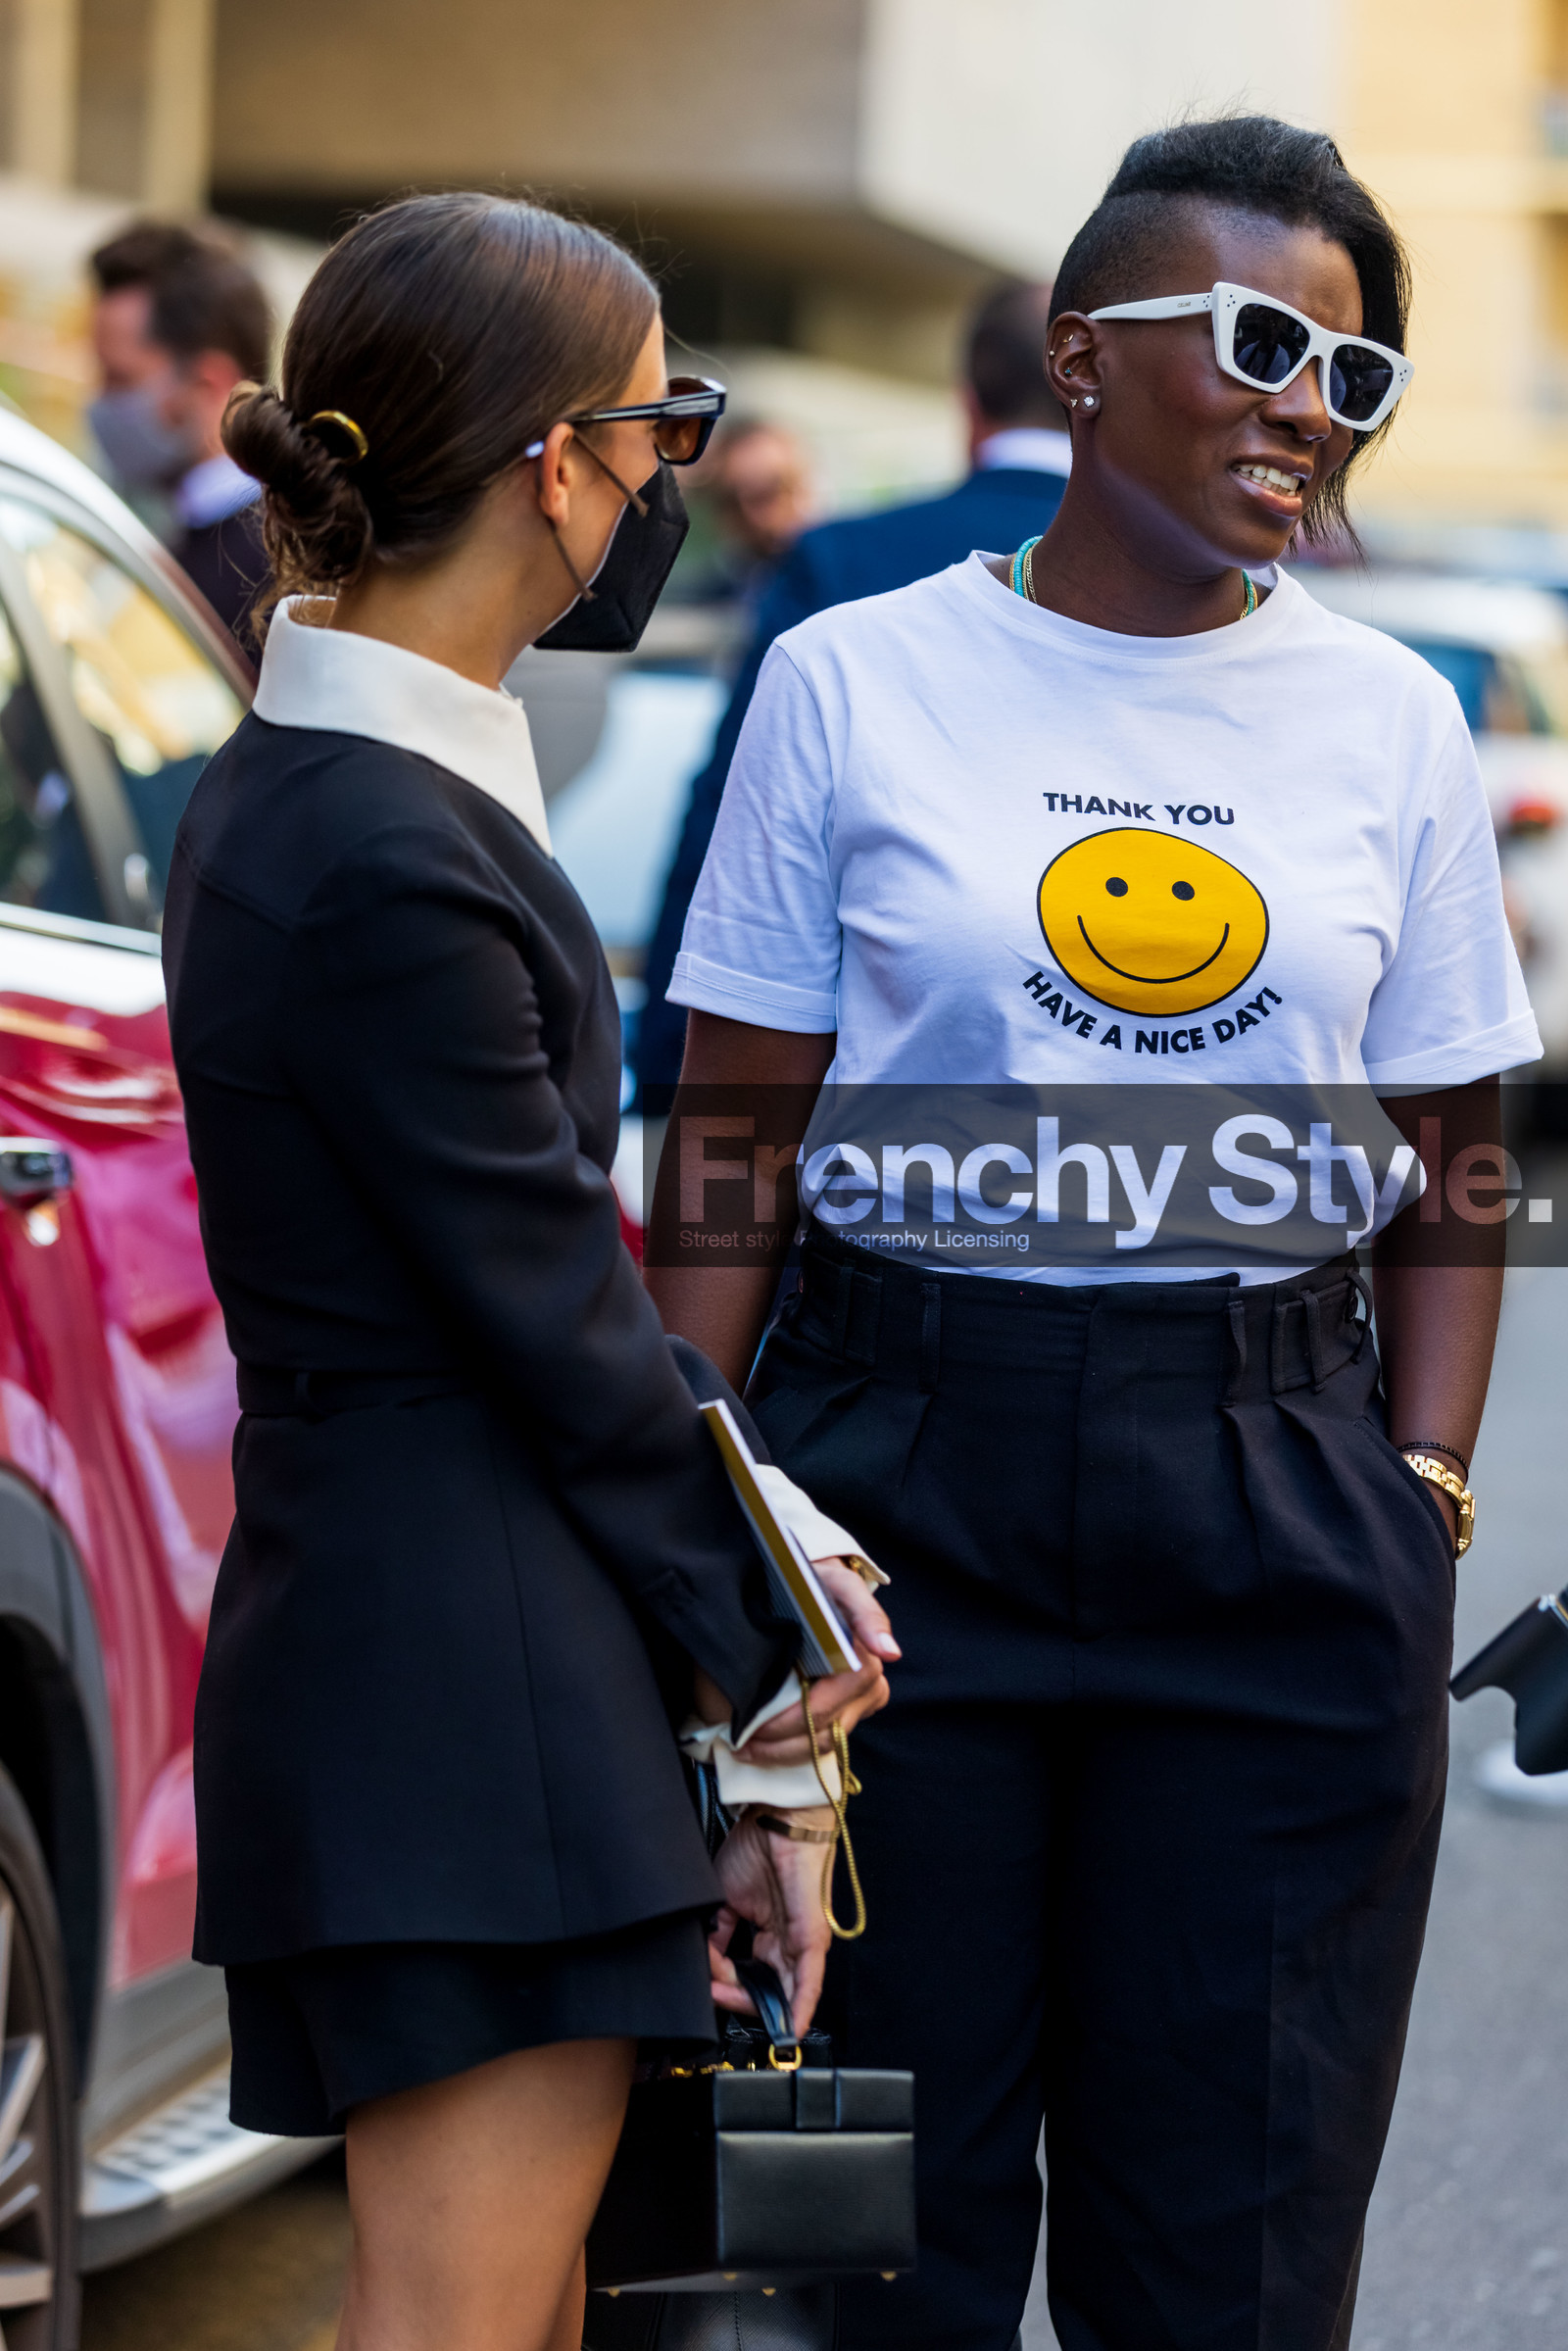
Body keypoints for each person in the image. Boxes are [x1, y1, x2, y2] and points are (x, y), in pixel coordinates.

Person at [647, 117, 1541, 2351]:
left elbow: (1450, 1151)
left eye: (1354, 370)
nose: (1302, 400)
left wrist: (1416, 1493)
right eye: (1258, 337)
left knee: (1226, 2250)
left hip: (1266, 1500)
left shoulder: (1388, 719)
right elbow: (732, 1139)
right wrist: (699, 1533)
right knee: (838, 2236)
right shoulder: (850, 675)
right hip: (887, 1494)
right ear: (1075, 352)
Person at [162, 192, 898, 2351]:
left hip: (437, 1655)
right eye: (666, 421)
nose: (677, 474)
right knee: (463, 2317)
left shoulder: (345, 786)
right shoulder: (377, 838)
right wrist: (784, 1680)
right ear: (552, 460)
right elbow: (559, 1325)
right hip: (453, 1688)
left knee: (511, 2306)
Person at [634, 277, 1070, 1100]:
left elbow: (734, 815)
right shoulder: (1202, 584)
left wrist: (666, 1065)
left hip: (848, 1109)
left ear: (970, 405)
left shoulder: (842, 561)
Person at [88, 220, 272, 646]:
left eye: (120, 379)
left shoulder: (267, 573)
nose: (99, 401)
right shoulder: (163, 529)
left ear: (208, 386)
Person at [673, 416, 816, 607]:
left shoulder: (841, 575)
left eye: (767, 492)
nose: (754, 516)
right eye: (731, 499)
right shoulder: (719, 593)